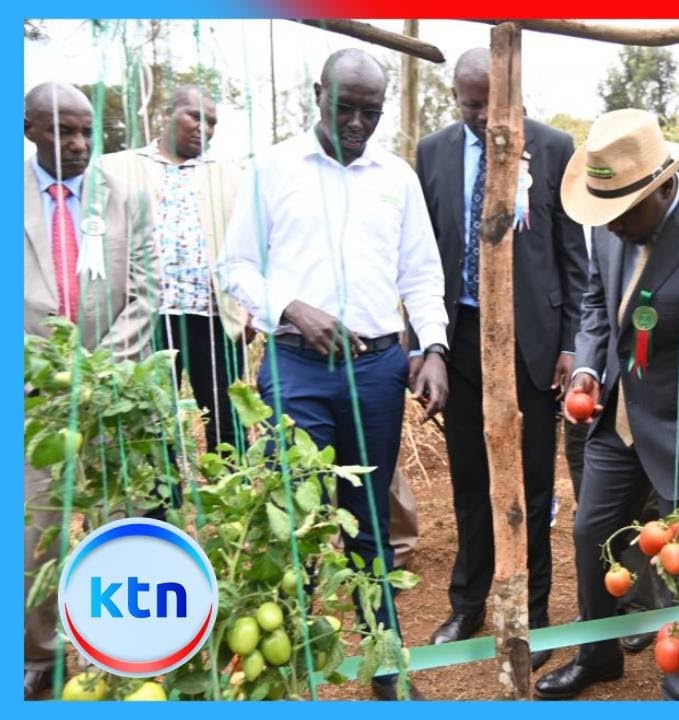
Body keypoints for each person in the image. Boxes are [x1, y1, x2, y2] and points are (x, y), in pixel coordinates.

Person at [221, 48, 449, 700]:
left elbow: (420, 274)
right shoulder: (272, 169)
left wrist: (432, 349)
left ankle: (387, 665)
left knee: (369, 520)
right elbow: (237, 267)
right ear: (315, 93)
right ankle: (280, 669)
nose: (356, 123)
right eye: (344, 107)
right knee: (293, 517)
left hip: (377, 370)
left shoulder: (396, 176)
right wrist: (292, 307)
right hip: (295, 365)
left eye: (370, 112)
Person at [534, 108, 679, 700]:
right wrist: (587, 368)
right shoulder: (609, 216)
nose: (609, 228)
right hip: (619, 412)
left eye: (621, 216)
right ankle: (599, 654)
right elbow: (594, 301)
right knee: (590, 533)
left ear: (660, 188)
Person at [413, 47, 588, 670]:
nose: (485, 115)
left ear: (516, 92)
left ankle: (534, 613)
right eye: (471, 102)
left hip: (532, 340)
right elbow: (423, 253)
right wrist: (424, 344)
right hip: (459, 339)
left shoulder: (555, 147)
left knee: (534, 486)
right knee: (468, 482)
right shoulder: (432, 153)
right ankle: (469, 604)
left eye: (495, 101)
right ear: (454, 96)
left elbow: (573, 253)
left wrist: (570, 344)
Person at [23, 82, 156, 699]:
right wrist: (45, 367)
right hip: (31, 401)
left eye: (87, 132)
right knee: (34, 533)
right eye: (62, 132)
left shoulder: (121, 196)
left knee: (119, 522)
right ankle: (41, 659)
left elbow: (145, 291)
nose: (79, 145)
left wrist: (102, 370)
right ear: (29, 130)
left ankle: (122, 648)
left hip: (112, 395)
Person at [100, 85, 249, 453]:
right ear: (167, 113)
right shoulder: (118, 168)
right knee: (150, 418)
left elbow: (254, 247)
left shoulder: (233, 176)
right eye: (194, 116)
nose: (205, 128)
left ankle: (232, 498)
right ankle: (160, 505)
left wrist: (250, 312)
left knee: (226, 417)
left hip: (214, 318)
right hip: (147, 317)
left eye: (212, 122)